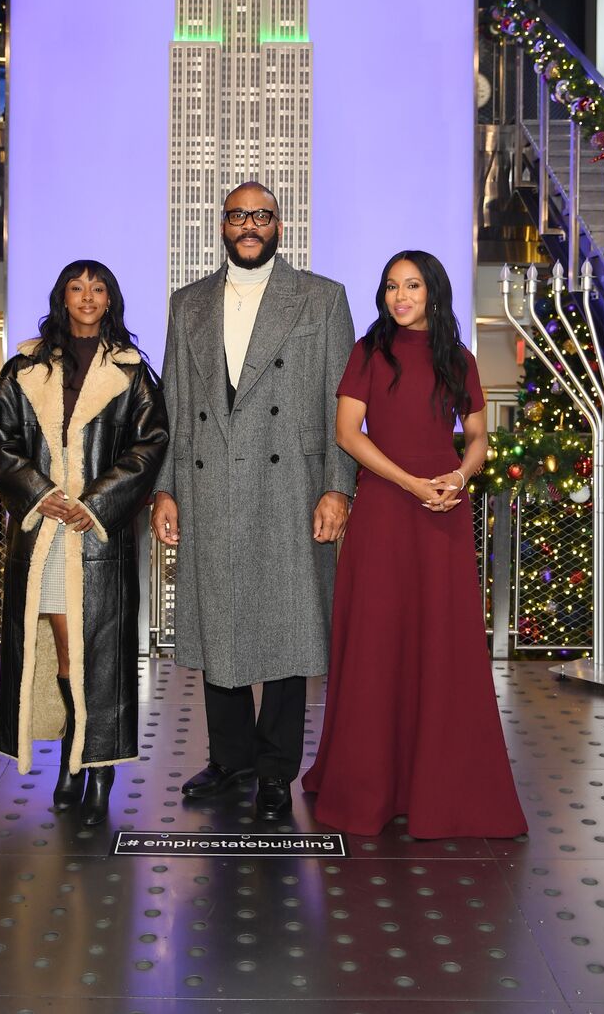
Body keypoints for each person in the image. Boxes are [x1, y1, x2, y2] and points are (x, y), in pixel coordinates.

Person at [303, 250, 527, 838]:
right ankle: (369, 783)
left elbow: (477, 435)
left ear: (434, 292)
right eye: (390, 287)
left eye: (412, 286)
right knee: (377, 641)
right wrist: (408, 482)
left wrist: (459, 476)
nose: (399, 297)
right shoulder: (368, 353)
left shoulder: (459, 359)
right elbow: (347, 434)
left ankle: (439, 783)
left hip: (443, 512)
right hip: (385, 507)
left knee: (442, 644)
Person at [151, 182, 356, 821]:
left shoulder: (322, 299)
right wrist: (164, 487)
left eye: (261, 216)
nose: (249, 225)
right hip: (210, 485)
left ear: (279, 225)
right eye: (239, 215)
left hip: (291, 487)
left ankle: (275, 769)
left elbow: (341, 403)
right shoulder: (188, 304)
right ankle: (231, 758)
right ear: (222, 224)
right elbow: (175, 407)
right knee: (220, 629)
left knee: (290, 631)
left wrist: (338, 488)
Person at [0, 261, 168, 824]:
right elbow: (0, 441)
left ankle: (98, 765)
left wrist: (93, 503)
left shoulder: (134, 373)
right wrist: (42, 494)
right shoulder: (24, 368)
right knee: (66, 651)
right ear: (62, 296)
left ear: (110, 299)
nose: (87, 296)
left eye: (98, 288)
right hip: (43, 533)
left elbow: (149, 446)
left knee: (98, 650)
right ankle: (74, 755)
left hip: (96, 533)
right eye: (77, 287)